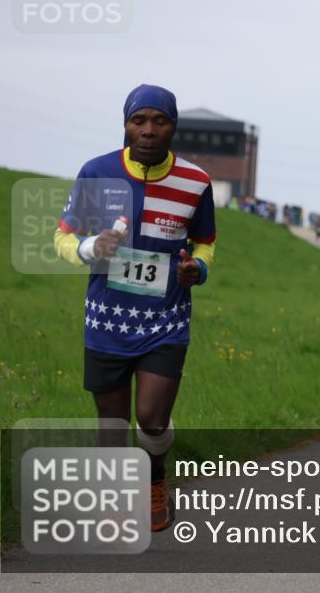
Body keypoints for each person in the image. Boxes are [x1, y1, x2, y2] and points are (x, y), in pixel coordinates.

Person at [54, 84, 216, 532]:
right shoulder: (97, 172)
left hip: (166, 317)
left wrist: (196, 270)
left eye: (159, 121)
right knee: (111, 423)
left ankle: (155, 477)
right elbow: (62, 238)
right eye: (138, 120)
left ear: (173, 126)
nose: (148, 130)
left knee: (151, 418)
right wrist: (90, 247)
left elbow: (204, 243)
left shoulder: (195, 182)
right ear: (125, 124)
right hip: (107, 317)